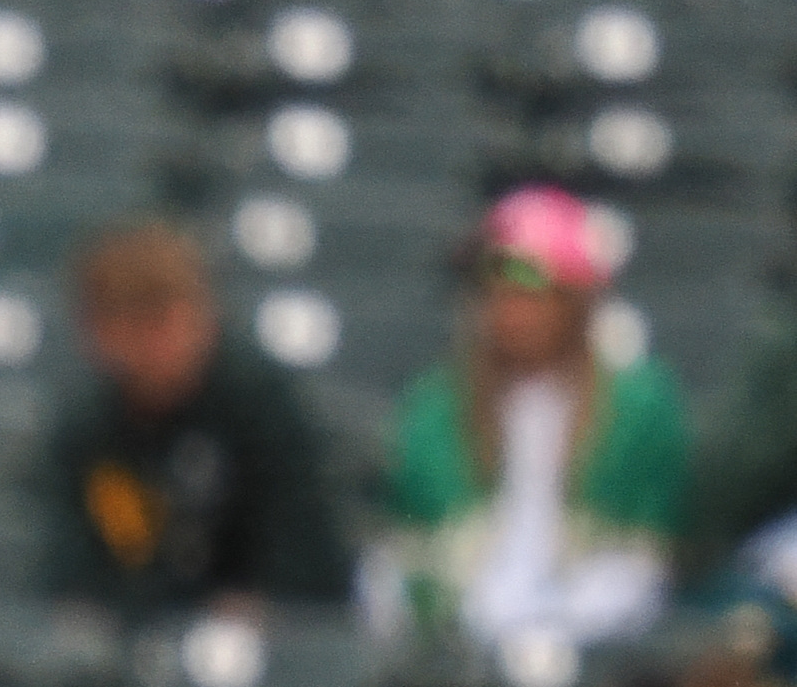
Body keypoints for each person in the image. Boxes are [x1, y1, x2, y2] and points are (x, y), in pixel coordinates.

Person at [370, 186, 692, 654]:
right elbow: (406, 558)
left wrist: (559, 626)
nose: (509, 308)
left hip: (598, 643)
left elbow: (644, 562)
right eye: (493, 287)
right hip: (458, 646)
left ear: (575, 301)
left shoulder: (639, 407)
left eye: (529, 288)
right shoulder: (434, 408)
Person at [38, 219, 351, 616]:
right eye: (133, 320)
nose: (155, 343)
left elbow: (309, 551)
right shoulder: (88, 432)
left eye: (166, 316)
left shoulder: (260, 405)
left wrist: (257, 606)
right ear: (97, 333)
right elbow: (79, 571)